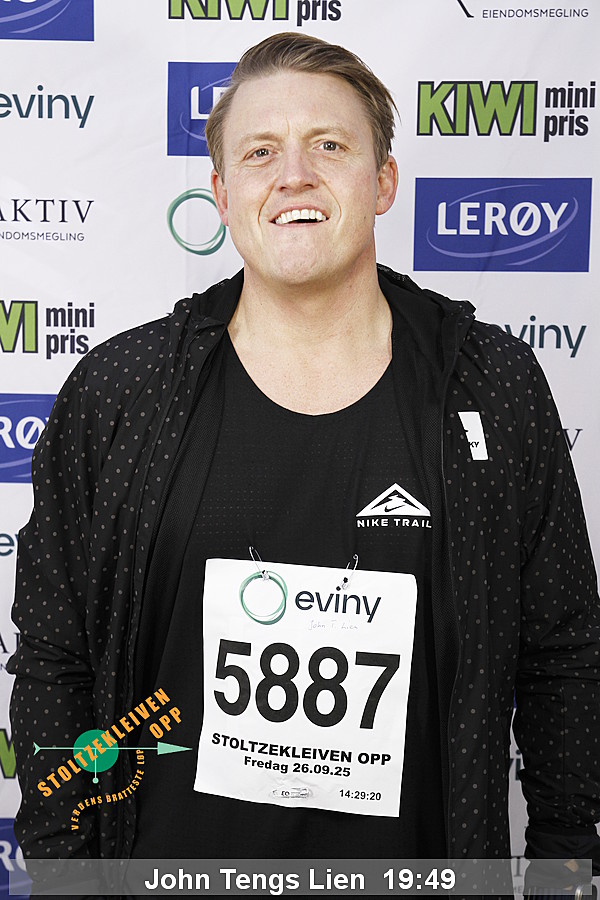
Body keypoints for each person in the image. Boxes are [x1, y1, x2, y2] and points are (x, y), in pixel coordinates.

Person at [8, 30, 600, 877]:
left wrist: (564, 871)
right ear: (222, 193)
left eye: (329, 145)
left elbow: (564, 660)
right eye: (260, 152)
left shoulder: (492, 384)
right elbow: (55, 662)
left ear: (383, 180)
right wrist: (67, 876)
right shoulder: (119, 393)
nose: (294, 175)